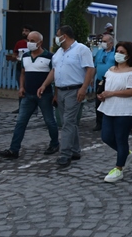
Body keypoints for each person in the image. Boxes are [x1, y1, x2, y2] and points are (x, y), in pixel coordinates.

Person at [37, 25, 95, 168]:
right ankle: (75, 150)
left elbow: (90, 69)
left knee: (68, 122)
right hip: (61, 90)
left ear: (65, 36)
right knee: (67, 121)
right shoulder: (59, 52)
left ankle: (65, 154)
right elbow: (54, 71)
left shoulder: (81, 49)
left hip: (74, 89)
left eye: (58, 35)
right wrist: (44, 85)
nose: (56, 38)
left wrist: (83, 88)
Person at [0, 31, 59, 159]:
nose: (29, 43)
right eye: (28, 40)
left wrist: (55, 94)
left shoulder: (49, 57)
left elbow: (55, 75)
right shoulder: (25, 56)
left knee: (49, 121)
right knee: (20, 122)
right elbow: (23, 73)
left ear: (40, 43)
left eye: (32, 41)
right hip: (28, 95)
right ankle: (14, 149)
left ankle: (54, 143)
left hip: (44, 95)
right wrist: (21, 87)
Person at [97, 41, 132, 182]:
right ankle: (126, 154)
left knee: (121, 138)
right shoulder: (111, 70)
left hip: (125, 110)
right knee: (106, 136)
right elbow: (106, 86)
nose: (118, 54)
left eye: (122, 52)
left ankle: (119, 167)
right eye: (117, 51)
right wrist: (103, 94)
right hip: (109, 107)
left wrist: (112, 93)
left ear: (128, 55)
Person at [93, 33, 116, 132]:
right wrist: (91, 78)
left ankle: (110, 123)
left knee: (110, 101)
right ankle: (99, 123)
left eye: (105, 41)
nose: (103, 43)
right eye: (102, 41)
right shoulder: (99, 52)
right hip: (100, 80)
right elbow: (95, 66)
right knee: (98, 101)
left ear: (111, 43)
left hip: (111, 80)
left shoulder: (115, 53)